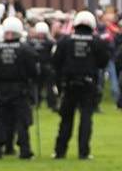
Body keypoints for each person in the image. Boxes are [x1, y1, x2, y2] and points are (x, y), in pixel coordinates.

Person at [52, 11, 111, 160]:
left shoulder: (66, 41)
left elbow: (56, 62)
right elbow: (104, 62)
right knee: (86, 119)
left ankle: (60, 151)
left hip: (69, 84)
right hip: (88, 84)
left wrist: (59, 83)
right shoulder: (96, 41)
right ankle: (83, 152)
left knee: (66, 119)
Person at [0, 17, 39, 160]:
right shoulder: (26, 50)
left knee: (0, 120)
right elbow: (34, 72)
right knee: (22, 121)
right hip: (20, 89)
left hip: (0, 89)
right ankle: (25, 150)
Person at [30, 21, 58, 111]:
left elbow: (54, 55)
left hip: (47, 66)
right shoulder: (32, 43)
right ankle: (35, 102)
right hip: (36, 67)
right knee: (36, 86)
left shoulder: (50, 43)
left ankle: (52, 104)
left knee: (50, 86)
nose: (41, 35)